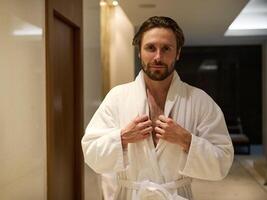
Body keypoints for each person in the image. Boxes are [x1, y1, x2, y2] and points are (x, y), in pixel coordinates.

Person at [82, 16, 234, 200]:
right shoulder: (117, 98)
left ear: (178, 53)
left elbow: (222, 163)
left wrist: (186, 140)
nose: (158, 57)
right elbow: (91, 154)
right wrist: (121, 138)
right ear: (139, 52)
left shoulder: (200, 101)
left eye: (166, 49)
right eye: (150, 48)